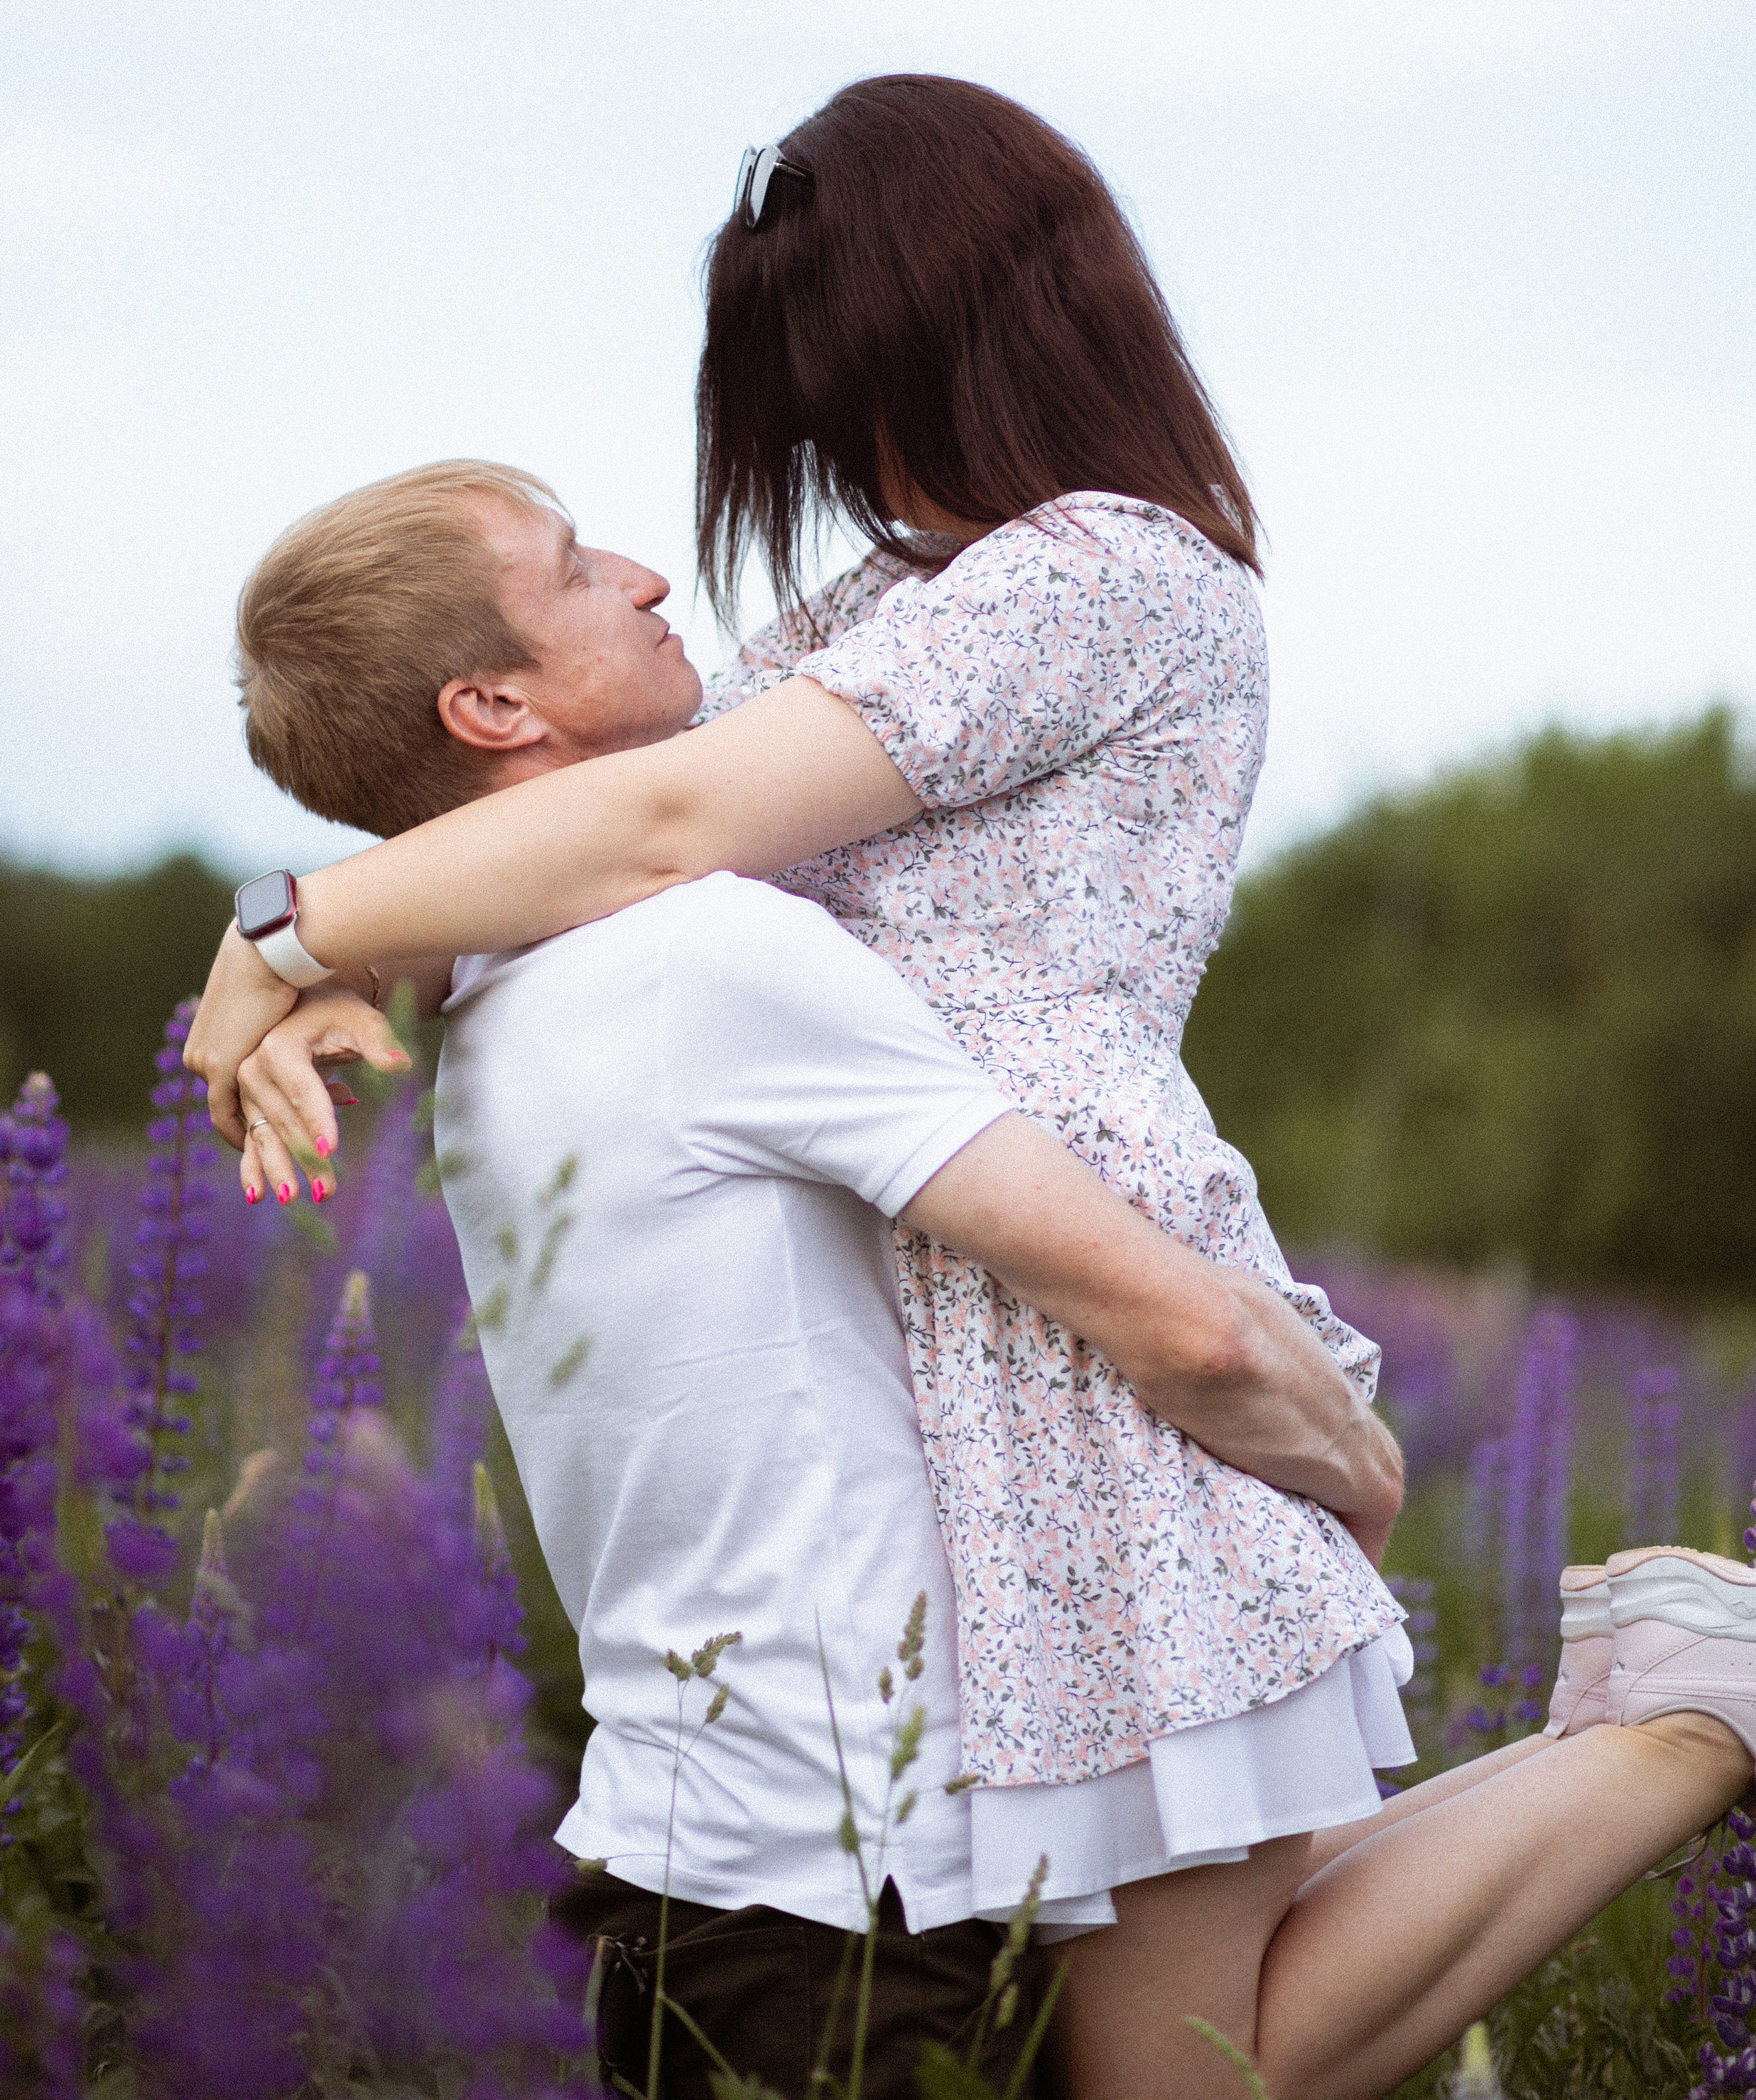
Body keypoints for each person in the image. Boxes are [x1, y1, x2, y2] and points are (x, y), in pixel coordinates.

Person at [187, 83, 1756, 2092]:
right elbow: (581, 825)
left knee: (1187, 2062)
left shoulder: (1107, 569)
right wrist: (382, 934)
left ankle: (1686, 1715)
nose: (788, 475)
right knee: (1179, 2022)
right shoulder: (882, 608)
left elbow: (664, 815)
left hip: (1071, 1336)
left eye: (822, 387)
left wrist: (291, 925)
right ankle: (1667, 1700)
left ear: (956, 332)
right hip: (939, 1332)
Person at [220, 458, 1405, 2097]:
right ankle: (1672, 1729)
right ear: (491, 702)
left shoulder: (487, 986)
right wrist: (1350, 1461)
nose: (643, 576)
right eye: (572, 569)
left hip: (685, 1867)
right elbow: (1171, 1313)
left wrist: (293, 954)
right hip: (842, 1899)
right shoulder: (710, 956)